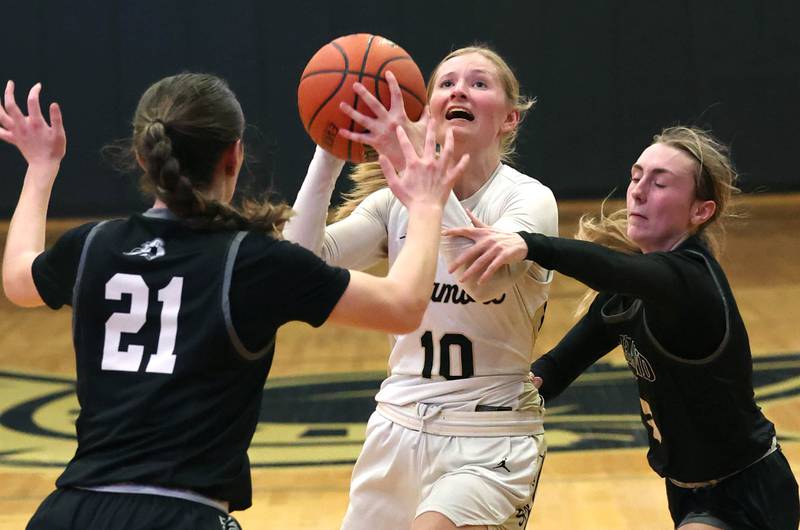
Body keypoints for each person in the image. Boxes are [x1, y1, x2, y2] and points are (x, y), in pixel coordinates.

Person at [0, 73, 466, 529]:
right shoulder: (251, 261)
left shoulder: (93, 245)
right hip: (181, 510)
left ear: (143, 157)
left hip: (70, 509)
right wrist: (426, 205)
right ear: (234, 155)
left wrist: (41, 168)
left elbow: (19, 280)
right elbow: (403, 306)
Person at [444, 126, 800, 530]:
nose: (639, 191)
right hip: (686, 491)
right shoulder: (626, 297)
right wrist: (510, 394)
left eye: (659, 182)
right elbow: (560, 364)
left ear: (701, 211)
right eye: (636, 176)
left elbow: (611, 267)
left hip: (747, 491)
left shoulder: (690, 281)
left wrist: (530, 243)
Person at [284, 46, 558, 530]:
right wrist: (328, 149)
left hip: (489, 430)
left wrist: (414, 165)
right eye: (447, 83)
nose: (459, 90)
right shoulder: (393, 203)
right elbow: (299, 265)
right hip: (398, 423)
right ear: (424, 110)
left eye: (478, 83)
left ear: (509, 119)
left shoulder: (528, 199)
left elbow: (482, 277)